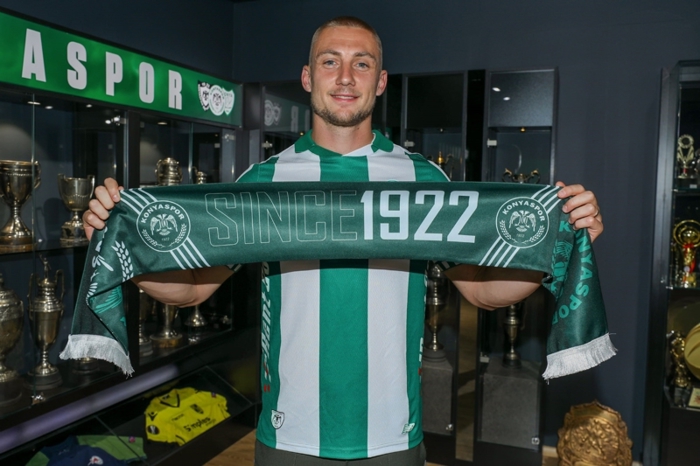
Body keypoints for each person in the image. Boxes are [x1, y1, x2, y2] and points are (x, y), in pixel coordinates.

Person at [84, 16, 603, 466]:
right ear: (308, 77)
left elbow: (482, 291)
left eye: (362, 63)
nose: (346, 76)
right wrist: (123, 249)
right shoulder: (264, 181)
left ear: (380, 82)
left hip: (391, 438)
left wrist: (557, 246)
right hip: (289, 437)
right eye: (330, 61)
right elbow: (193, 289)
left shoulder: (422, 179)